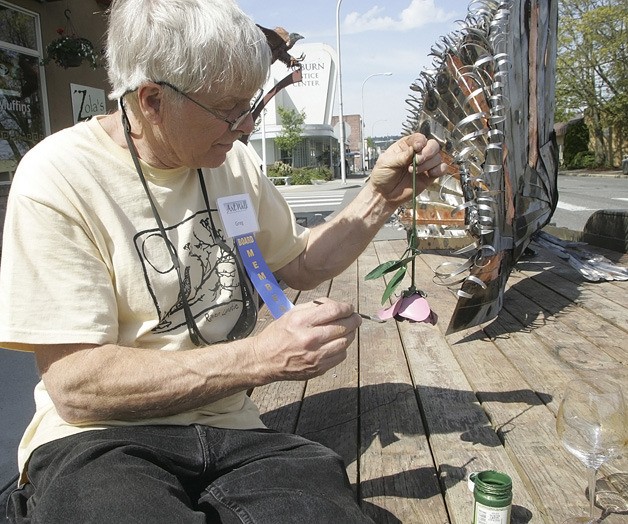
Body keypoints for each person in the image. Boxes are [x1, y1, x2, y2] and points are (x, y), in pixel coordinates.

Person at [0, 0, 446, 522]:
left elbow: (298, 264)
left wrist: (380, 198)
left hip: (232, 430)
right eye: (231, 109)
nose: (248, 124)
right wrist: (259, 358)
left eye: (251, 104)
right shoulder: (58, 177)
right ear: (151, 101)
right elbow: (77, 387)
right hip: (99, 440)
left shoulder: (230, 160)